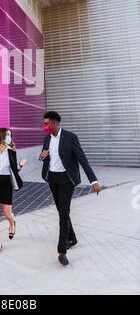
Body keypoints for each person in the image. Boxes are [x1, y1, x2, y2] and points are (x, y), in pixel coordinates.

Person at [40, 111, 102, 266]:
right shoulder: (47, 138)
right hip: (52, 178)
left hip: (66, 179)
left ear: (55, 123)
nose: (45, 126)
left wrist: (93, 181)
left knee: (63, 213)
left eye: (46, 123)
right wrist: (42, 156)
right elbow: (43, 157)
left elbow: (82, 159)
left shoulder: (70, 137)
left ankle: (62, 250)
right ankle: (72, 238)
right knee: (62, 210)